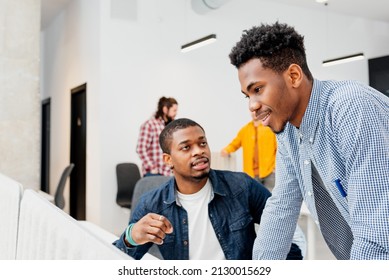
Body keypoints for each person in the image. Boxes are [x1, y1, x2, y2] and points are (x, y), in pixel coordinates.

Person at [229, 21, 389, 260]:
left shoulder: (351, 108)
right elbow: (281, 207)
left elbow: (376, 232)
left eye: (258, 89)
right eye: (247, 95)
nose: (252, 106)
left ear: (293, 75)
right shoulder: (289, 132)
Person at [114, 118, 305, 260]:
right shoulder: (151, 204)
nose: (199, 151)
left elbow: (292, 234)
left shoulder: (242, 187)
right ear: (168, 160)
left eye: (202, 143)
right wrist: (131, 237)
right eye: (186, 147)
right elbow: (118, 259)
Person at [221, 110, 277, 191]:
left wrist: (275, 166)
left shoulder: (269, 128)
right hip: (251, 174)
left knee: (271, 198)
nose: (255, 113)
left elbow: (278, 148)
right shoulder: (245, 130)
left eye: (257, 111)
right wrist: (226, 150)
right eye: (253, 111)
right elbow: (235, 143)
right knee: (255, 200)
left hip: (269, 172)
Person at [136, 96, 178, 177]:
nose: (176, 113)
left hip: (168, 173)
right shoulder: (149, 125)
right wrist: (152, 167)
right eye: (174, 110)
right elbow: (141, 149)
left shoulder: (170, 126)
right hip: (154, 174)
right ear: (165, 109)